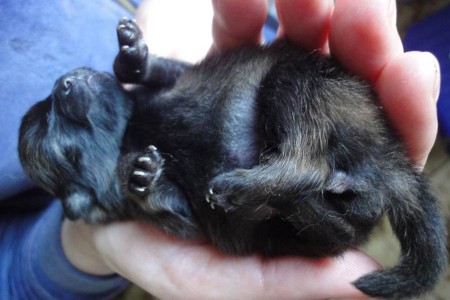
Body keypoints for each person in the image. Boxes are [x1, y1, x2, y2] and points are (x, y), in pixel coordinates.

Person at [0, 0, 440, 299]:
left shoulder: (140, 103)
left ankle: (292, 173)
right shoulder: (128, 189)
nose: (65, 88)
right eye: (64, 131)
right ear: (85, 200)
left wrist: (144, 63)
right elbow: (184, 219)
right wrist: (146, 190)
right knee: (264, 218)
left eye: (52, 101)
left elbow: (177, 75)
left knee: (287, 84)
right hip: (301, 207)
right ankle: (295, 182)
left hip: (315, 117)